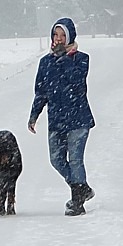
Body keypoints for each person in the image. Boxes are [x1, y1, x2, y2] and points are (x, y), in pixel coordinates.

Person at [28, 17, 96, 216]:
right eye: (55, 35)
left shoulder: (82, 59)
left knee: (75, 159)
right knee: (56, 159)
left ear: (70, 37)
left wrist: (64, 59)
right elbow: (41, 92)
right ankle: (81, 187)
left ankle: (77, 202)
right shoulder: (45, 63)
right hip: (56, 120)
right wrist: (34, 115)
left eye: (62, 35)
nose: (58, 39)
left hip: (78, 119)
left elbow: (77, 83)